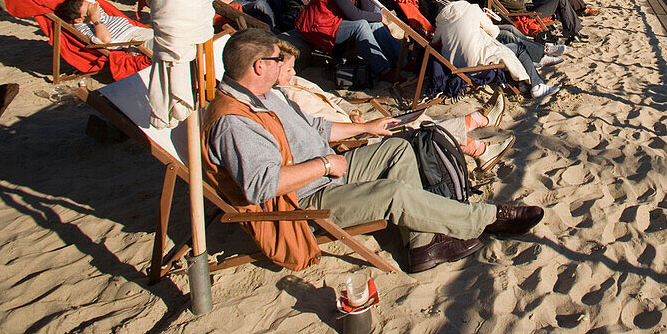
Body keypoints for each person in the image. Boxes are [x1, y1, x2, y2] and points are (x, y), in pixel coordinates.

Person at [202, 28, 542, 274]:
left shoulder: (265, 93)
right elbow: (262, 186)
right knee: (392, 192)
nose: (284, 64)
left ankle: (422, 243)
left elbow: (317, 128)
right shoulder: (235, 121)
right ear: (259, 66)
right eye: (278, 60)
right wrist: (323, 164)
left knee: (397, 148)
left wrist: (365, 128)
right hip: (304, 199)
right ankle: (488, 218)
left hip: (328, 170)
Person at [272, 40, 512, 170]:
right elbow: (314, 132)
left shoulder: (294, 82)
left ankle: (480, 144)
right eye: (288, 69)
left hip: (357, 125)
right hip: (350, 143)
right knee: (423, 129)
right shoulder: (281, 101)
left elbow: (333, 98)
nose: (293, 73)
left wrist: (353, 111)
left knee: (417, 120)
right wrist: (359, 128)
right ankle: (479, 132)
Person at [433, 1, 559, 100]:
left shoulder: (442, 21)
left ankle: (524, 82)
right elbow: (493, 32)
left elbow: (435, 42)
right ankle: (537, 85)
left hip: (456, 67)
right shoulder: (472, 9)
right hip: (478, 65)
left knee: (506, 44)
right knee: (517, 48)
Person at [295, 0, 401, 77]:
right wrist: (379, 17)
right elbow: (353, 15)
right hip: (317, 26)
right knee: (361, 25)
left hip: (331, 22)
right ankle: (382, 69)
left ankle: (400, 60)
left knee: (374, 23)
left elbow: (368, 10)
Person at [55, 0, 154, 50]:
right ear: (78, 19)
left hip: (142, 32)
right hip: (135, 41)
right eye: (89, 9)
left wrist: (88, 9)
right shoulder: (84, 27)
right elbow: (105, 41)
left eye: (91, 5)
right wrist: (96, 20)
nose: (93, 7)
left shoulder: (96, 11)